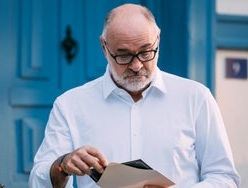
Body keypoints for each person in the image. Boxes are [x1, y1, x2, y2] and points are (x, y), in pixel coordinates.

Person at [29, 3, 240, 188]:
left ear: (158, 40)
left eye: (146, 52)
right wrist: (62, 164)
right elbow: (38, 182)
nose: (137, 65)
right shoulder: (70, 105)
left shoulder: (196, 97)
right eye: (124, 55)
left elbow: (224, 177)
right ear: (104, 47)